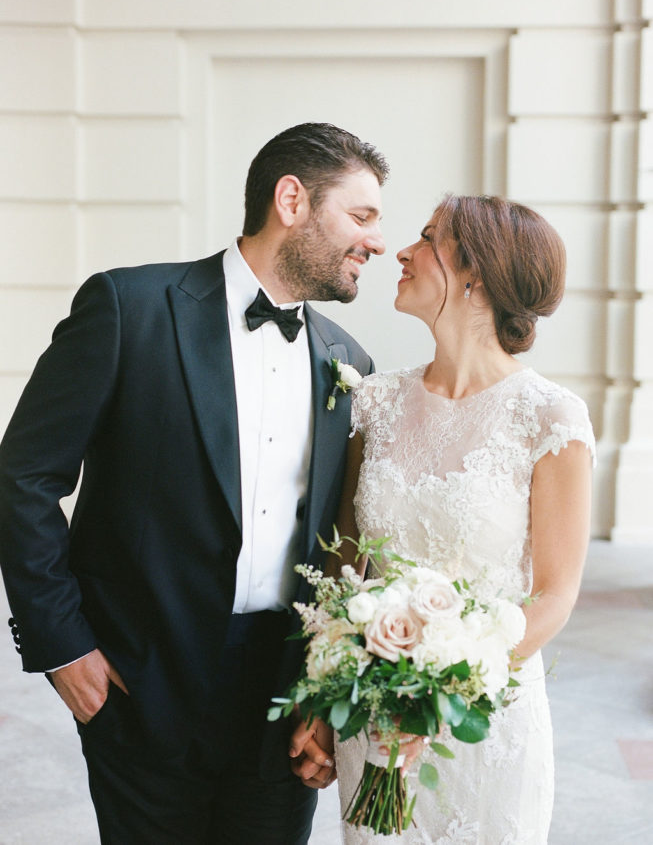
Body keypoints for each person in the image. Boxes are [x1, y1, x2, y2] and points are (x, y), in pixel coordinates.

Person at [0, 122, 388, 844]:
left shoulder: (349, 361)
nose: (377, 241)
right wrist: (62, 645)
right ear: (292, 201)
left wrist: (327, 689)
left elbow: (341, 543)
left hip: (284, 700)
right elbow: (23, 476)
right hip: (139, 682)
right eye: (361, 216)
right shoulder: (129, 307)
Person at [329, 194, 595, 844]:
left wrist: (439, 695)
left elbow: (555, 594)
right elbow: (344, 564)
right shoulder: (373, 403)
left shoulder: (548, 417)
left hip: (486, 725)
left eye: (427, 238)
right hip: (376, 721)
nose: (401, 251)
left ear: (476, 270)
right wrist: (337, 685)